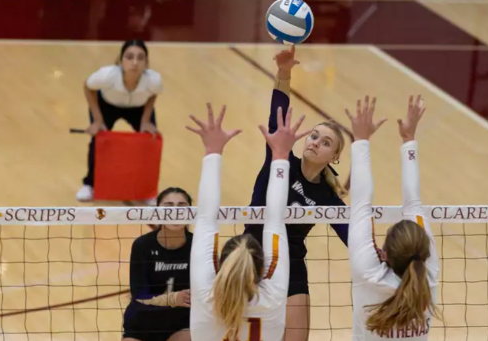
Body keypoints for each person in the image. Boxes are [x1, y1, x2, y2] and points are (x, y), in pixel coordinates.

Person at [243, 45, 349, 341]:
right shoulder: (280, 159)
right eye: (314, 136)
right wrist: (284, 73)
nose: (315, 142)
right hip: (250, 251)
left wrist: (378, 253)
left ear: (334, 156)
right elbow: (277, 119)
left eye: (326, 142)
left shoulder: (327, 195)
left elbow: (349, 232)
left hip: (291, 262)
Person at [188, 103, 307, 341]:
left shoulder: (204, 293)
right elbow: (275, 219)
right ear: (261, 270)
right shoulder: (272, 298)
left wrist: (212, 152)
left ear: (222, 264)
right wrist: (282, 157)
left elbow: (205, 218)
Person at [346, 95, 440, 340]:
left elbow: (361, 204)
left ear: (383, 255)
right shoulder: (428, 276)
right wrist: (408, 140)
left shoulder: (369, 274)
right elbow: (413, 204)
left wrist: (362, 141)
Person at [76, 39, 162, 205]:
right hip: (107, 105)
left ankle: (147, 191)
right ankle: (89, 185)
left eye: (140, 58)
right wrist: (97, 120)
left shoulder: (154, 81)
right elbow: (88, 87)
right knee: (98, 139)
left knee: (150, 141)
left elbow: (153, 94)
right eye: (129, 57)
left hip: (138, 107)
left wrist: (145, 120)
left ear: (146, 63)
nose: (134, 62)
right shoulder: (107, 75)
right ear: (120, 60)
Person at [122, 187, 193, 341]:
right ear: (157, 213)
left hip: (181, 324)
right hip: (142, 324)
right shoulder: (142, 246)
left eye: (182, 207)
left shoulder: (198, 246)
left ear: (191, 213)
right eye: (168, 207)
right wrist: (173, 299)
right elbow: (140, 298)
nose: (175, 212)